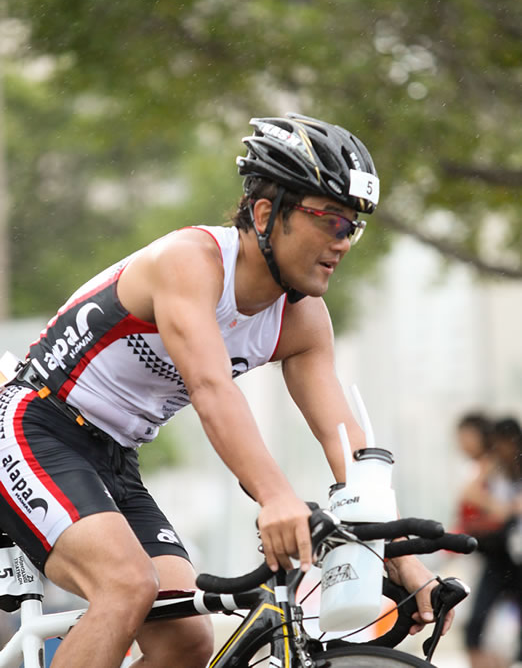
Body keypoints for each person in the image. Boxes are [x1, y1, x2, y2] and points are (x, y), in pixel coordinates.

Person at [0, 113, 452, 668]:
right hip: (35, 424)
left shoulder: (303, 320)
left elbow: (347, 444)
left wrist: (403, 558)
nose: (343, 242)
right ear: (265, 214)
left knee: (187, 642)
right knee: (126, 586)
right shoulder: (189, 262)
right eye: (331, 221)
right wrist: (276, 497)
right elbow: (211, 389)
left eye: (352, 227)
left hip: (115, 457)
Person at [456, 414, 522, 668]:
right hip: (498, 553)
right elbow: (468, 492)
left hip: (514, 555)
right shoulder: (494, 466)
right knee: (477, 622)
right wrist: (502, 507)